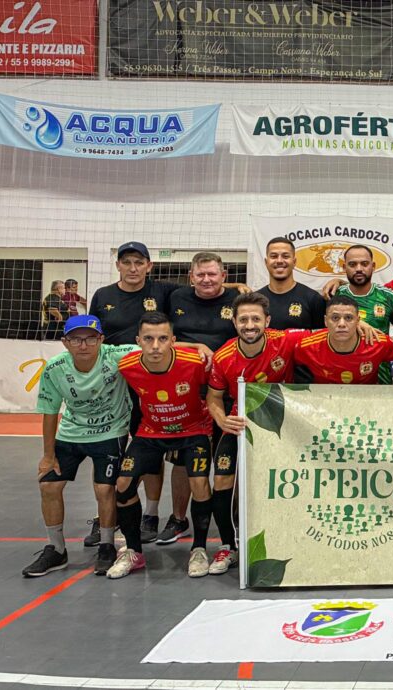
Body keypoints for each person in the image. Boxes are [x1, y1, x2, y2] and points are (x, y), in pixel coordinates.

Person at [23, 316, 135, 578]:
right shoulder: (55, 368)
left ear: (101, 340)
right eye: (76, 339)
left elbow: (156, 346)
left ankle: (106, 545)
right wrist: (48, 455)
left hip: (110, 430)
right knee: (48, 485)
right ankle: (56, 549)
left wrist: (199, 348)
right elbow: (50, 411)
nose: (83, 345)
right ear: (65, 342)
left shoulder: (118, 356)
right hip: (71, 432)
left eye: (90, 339)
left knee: (104, 488)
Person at [89, 242, 183, 546]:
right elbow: (93, 337)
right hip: (114, 384)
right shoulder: (102, 295)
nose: (133, 268)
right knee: (109, 448)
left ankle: (151, 514)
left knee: (151, 447)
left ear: (149, 266)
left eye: (139, 262)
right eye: (127, 262)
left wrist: (237, 285)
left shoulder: (163, 291)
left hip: (152, 382)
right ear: (117, 265)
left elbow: (202, 287)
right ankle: (106, 515)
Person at [206, 293, 307, 575]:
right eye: (243, 320)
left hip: (282, 427)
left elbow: (326, 334)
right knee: (222, 480)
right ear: (234, 322)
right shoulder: (224, 356)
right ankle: (228, 546)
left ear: (267, 321)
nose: (249, 325)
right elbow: (213, 397)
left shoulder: (284, 341)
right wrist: (222, 420)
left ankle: (290, 538)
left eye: (255, 319)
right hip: (241, 425)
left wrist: (362, 325)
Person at [112, 312, 216, 579]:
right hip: (151, 431)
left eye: (162, 339)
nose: (155, 346)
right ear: (138, 341)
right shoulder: (127, 365)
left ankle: (199, 549)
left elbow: (216, 390)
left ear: (173, 340)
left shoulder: (195, 363)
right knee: (123, 485)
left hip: (194, 429)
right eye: (148, 339)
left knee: (199, 483)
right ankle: (133, 552)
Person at [159, 252, 241, 545]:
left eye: (212, 274)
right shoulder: (176, 298)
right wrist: (196, 347)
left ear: (224, 277)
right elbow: (163, 337)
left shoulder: (237, 300)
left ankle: (234, 520)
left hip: (226, 392)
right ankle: (178, 519)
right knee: (182, 461)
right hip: (186, 391)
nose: (207, 279)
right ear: (191, 277)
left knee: (229, 461)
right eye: (200, 274)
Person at [333, 244, 393, 384]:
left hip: (380, 377)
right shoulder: (334, 295)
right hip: (342, 376)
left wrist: (388, 343)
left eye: (364, 264)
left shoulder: (388, 297)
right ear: (344, 267)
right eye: (352, 264)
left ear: (373, 266)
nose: (359, 269)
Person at [294, 294, 393, 384]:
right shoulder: (306, 346)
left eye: (348, 318)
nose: (341, 324)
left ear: (358, 320)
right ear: (325, 321)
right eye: (335, 318)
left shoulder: (378, 343)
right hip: (324, 401)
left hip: (366, 400)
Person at [255, 237, 326, 330]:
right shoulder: (255, 300)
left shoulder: (313, 299)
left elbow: (321, 336)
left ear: (294, 262)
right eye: (274, 256)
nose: (279, 261)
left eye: (285, 256)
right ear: (266, 262)